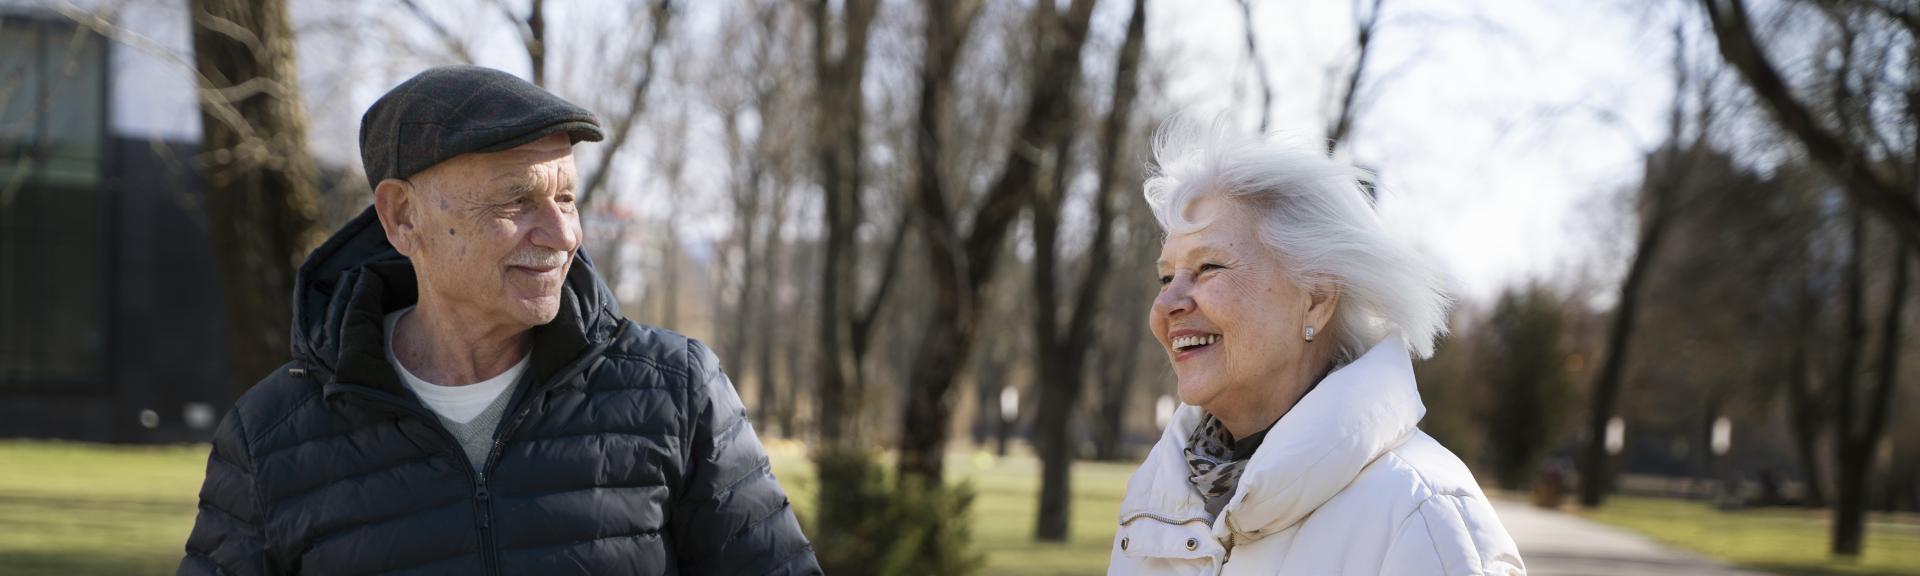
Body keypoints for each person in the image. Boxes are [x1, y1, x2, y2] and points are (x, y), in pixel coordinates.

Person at [178, 66, 820, 575]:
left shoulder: (678, 392)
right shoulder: (271, 439)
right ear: (402, 216)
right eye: (518, 200)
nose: (564, 233)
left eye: (567, 196)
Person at [1108, 120, 1525, 575]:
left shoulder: (1424, 519)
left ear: (1317, 299)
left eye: (1208, 267)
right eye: (1166, 277)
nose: (1166, 303)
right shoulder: (1154, 505)